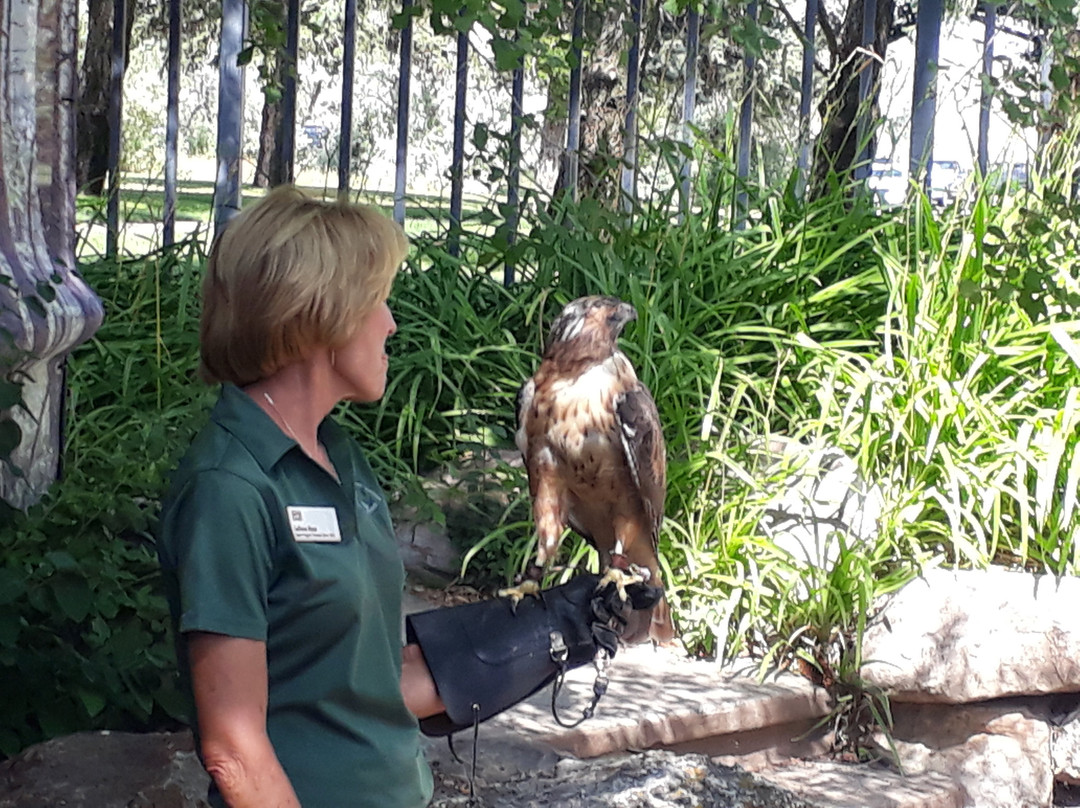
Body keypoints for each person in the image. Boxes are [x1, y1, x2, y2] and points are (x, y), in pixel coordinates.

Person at [157, 186, 658, 808]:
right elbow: (235, 750)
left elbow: (369, 685)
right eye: (378, 303)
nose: (391, 323)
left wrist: (554, 629)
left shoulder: (337, 458)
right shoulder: (231, 490)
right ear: (322, 315)